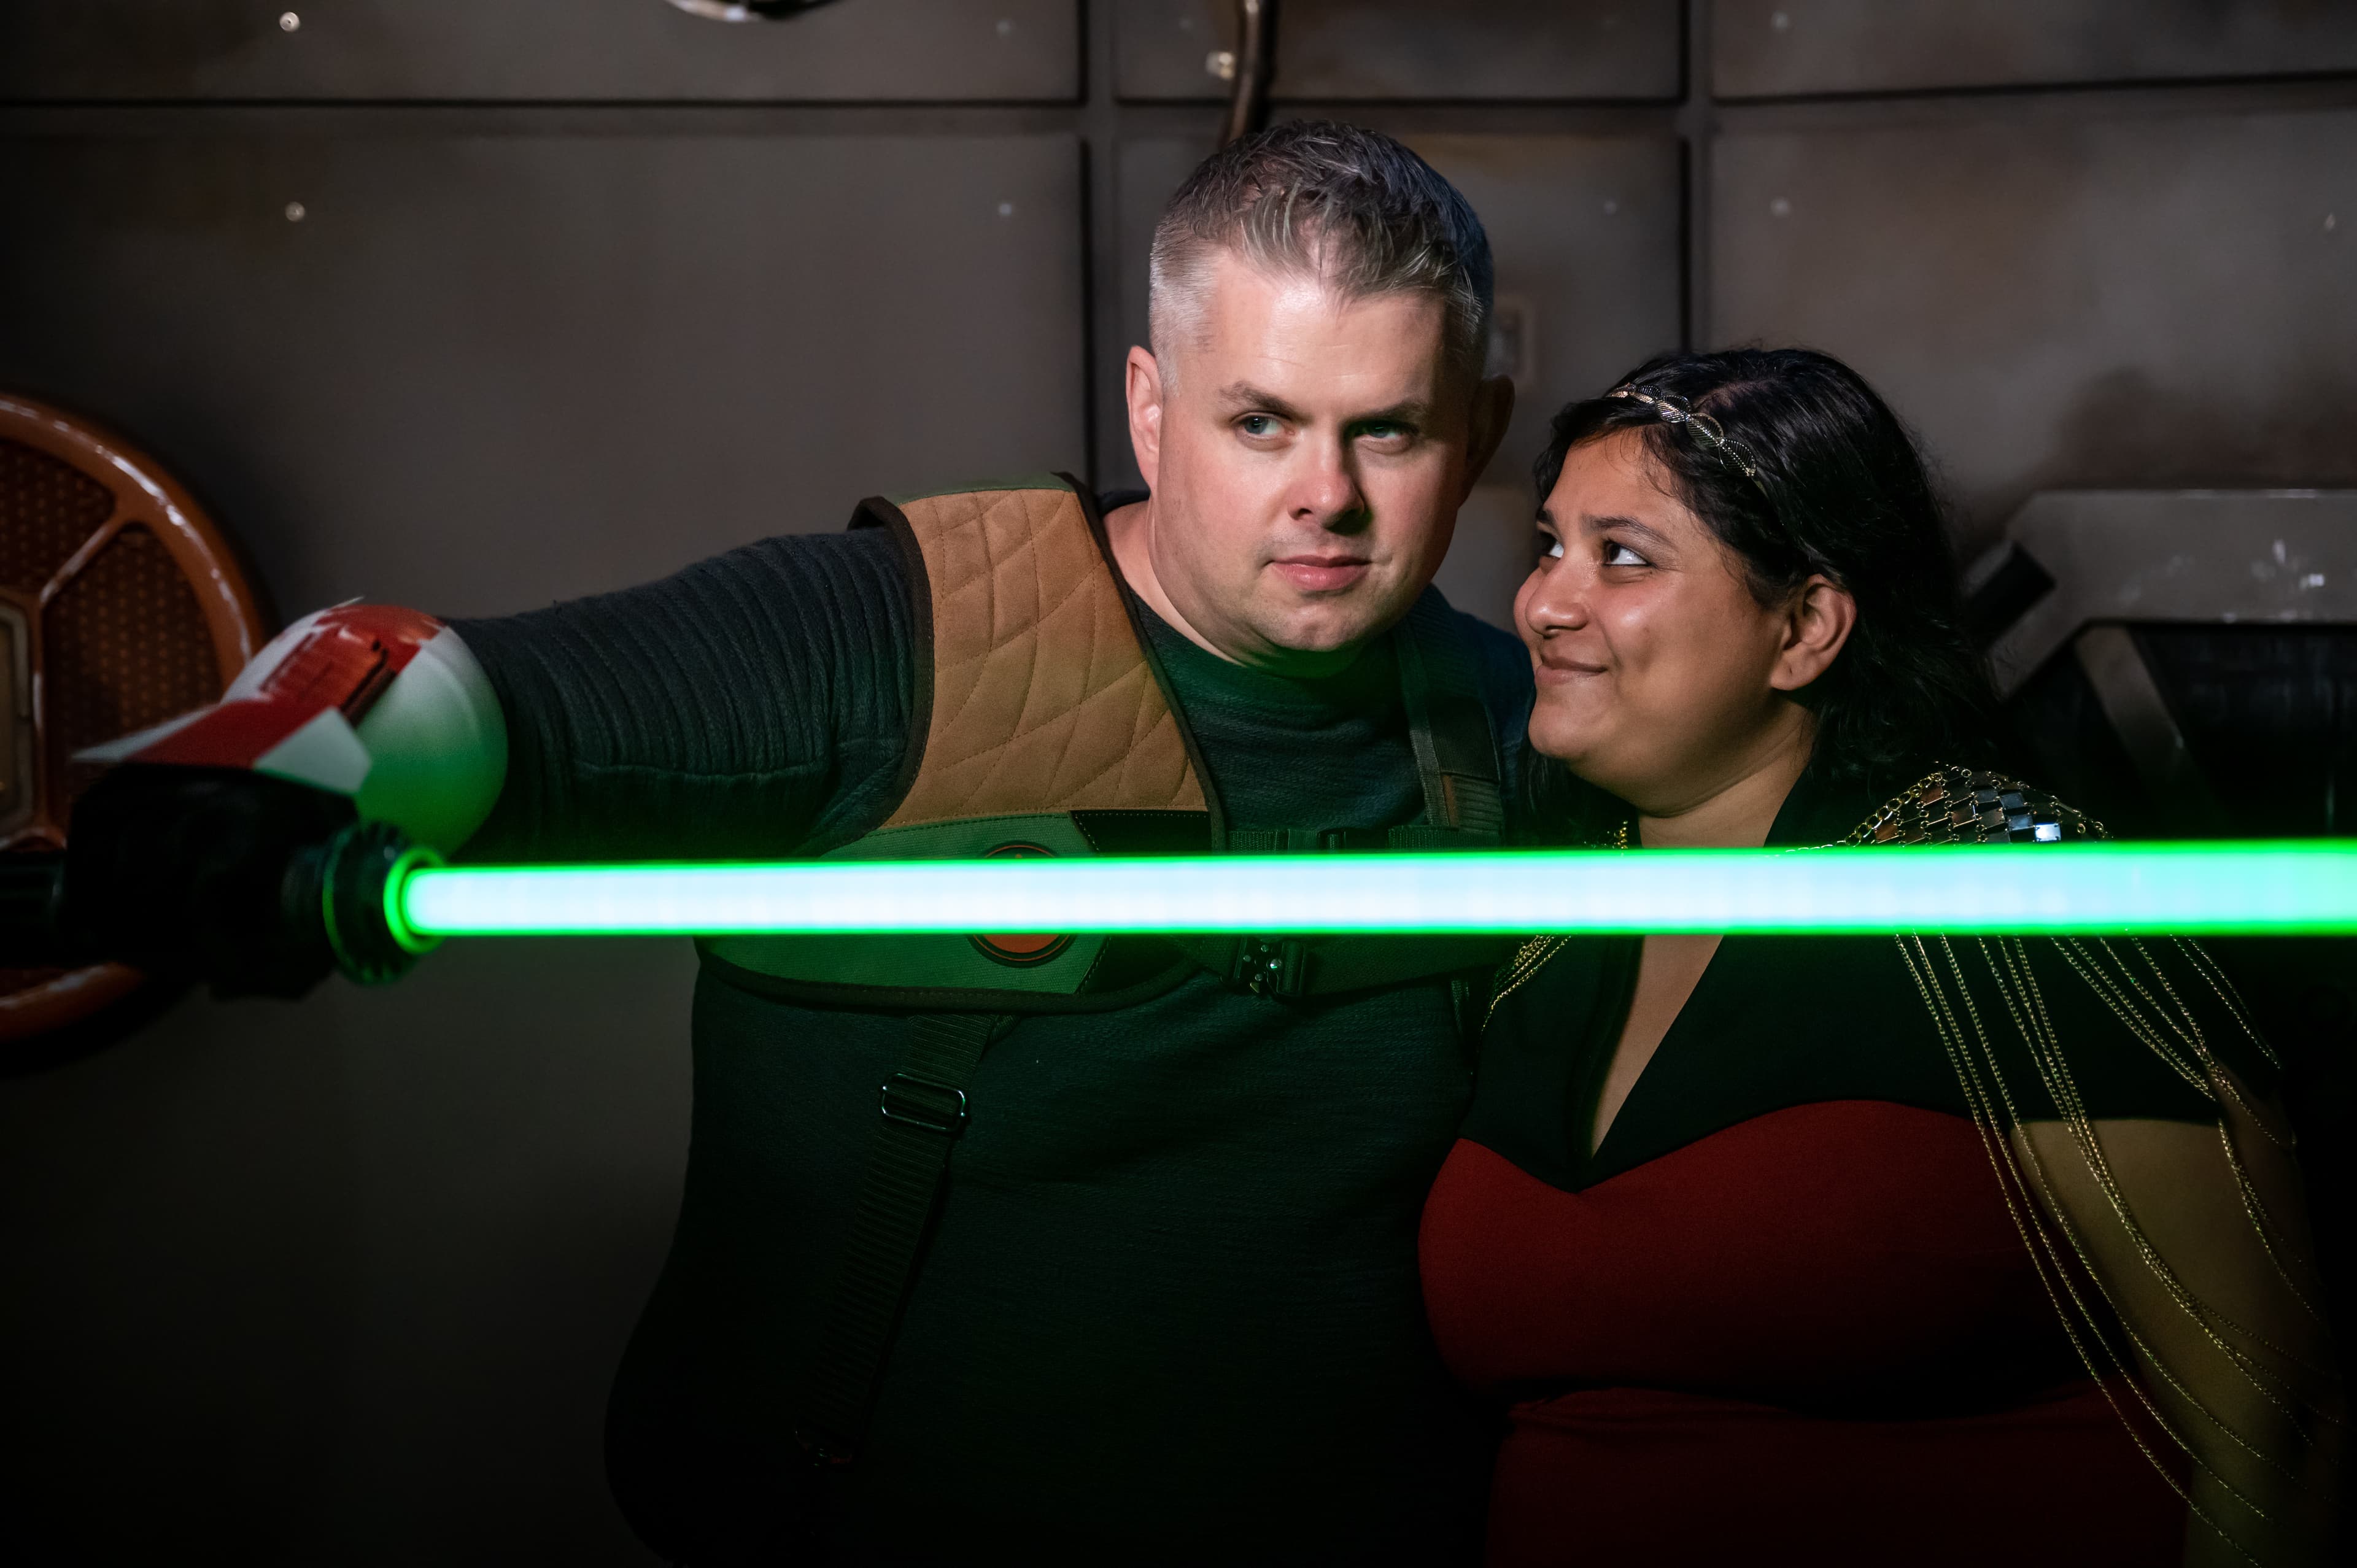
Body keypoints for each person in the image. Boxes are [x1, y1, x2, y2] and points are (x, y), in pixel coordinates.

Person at [55, 124, 1524, 1562]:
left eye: (1385, 429)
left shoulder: (1532, 720)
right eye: (1258, 421)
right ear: (1150, 407)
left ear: (1483, 436)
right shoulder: (892, 634)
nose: (1323, 494)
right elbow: (458, 687)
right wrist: (254, 780)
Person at [1417, 348, 2345, 1566]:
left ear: (1804, 626)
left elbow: (2278, 1427)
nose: (1543, 600)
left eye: (1623, 556)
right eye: (1550, 545)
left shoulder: (2016, 897)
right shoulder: (1540, 931)